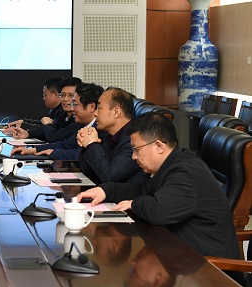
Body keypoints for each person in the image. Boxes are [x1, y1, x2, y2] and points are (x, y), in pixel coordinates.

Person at [76, 112, 240, 261]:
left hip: (210, 270)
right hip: (180, 256)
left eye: (136, 149)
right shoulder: (173, 163)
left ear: (159, 146)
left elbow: (157, 211)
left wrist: (134, 204)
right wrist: (105, 190)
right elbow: (141, 190)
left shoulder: (185, 172)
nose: (133, 157)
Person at [11, 82, 104, 160]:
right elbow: (66, 145)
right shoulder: (84, 125)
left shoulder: (100, 129)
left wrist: (54, 153)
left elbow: (79, 154)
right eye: (62, 95)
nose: (72, 108)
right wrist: (32, 150)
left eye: (75, 104)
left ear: (91, 107)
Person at [76, 87, 148, 184]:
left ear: (116, 112)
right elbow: (88, 171)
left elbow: (110, 176)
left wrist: (91, 144)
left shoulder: (133, 139)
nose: (95, 113)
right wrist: (85, 144)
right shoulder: (109, 136)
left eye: (99, 108)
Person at [8, 77, 83, 143]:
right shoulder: (64, 115)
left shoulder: (79, 120)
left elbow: (54, 137)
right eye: (63, 95)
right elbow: (46, 130)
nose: (65, 99)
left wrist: (47, 125)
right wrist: (28, 133)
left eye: (71, 95)